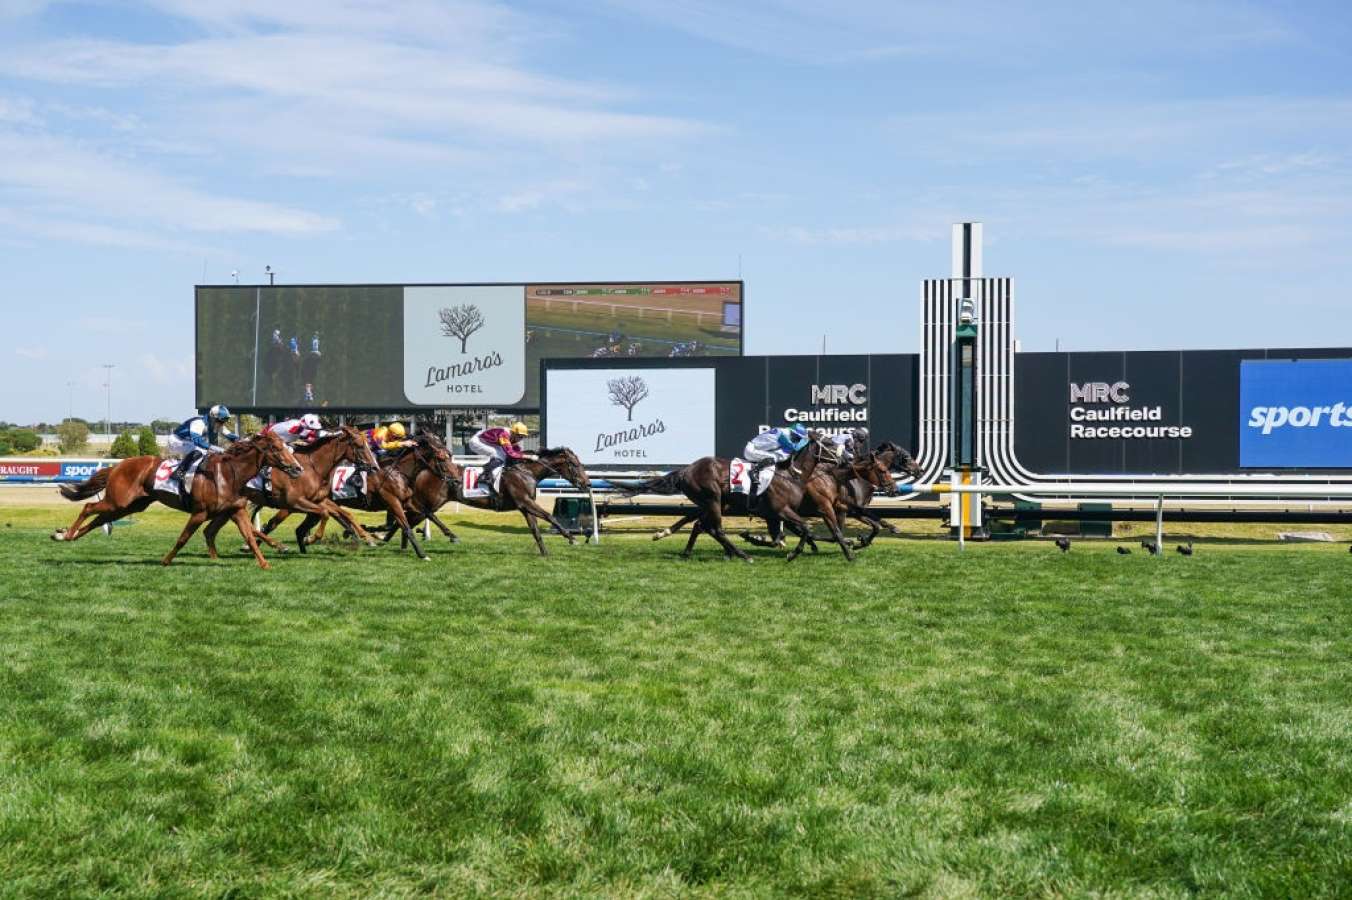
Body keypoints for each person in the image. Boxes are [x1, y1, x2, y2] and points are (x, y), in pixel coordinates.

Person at [167, 404, 238, 494]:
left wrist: (244, 441)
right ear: (213, 418)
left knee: (208, 452)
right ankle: (178, 473)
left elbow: (231, 436)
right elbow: (197, 441)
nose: (222, 424)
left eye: (224, 421)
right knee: (199, 450)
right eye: (220, 421)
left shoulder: (216, 424)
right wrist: (217, 448)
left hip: (187, 442)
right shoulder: (199, 423)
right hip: (175, 440)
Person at [742, 423, 809, 504]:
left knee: (782, 455)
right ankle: (754, 471)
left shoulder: (783, 432)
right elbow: (795, 447)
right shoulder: (783, 435)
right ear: (793, 433)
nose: (798, 439)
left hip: (757, 449)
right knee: (776, 457)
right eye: (798, 437)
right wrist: (808, 439)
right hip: (751, 451)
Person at [468, 422, 532, 497]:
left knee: (503, 456)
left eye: (523, 437)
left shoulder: (512, 437)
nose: (521, 439)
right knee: (498, 455)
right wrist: (528, 456)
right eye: (520, 436)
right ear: (514, 433)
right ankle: (483, 477)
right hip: (476, 441)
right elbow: (511, 453)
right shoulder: (504, 435)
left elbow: (517, 452)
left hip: (488, 441)